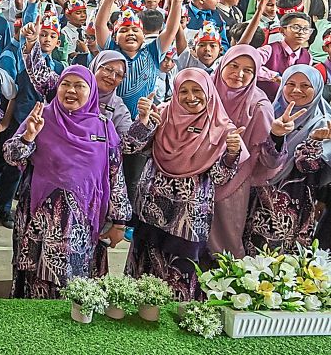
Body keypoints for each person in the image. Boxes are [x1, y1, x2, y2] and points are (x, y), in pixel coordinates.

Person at [5, 66, 130, 299]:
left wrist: (120, 221)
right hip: (38, 218)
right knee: (35, 278)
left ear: (91, 92)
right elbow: (11, 156)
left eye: (79, 85)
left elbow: (115, 175)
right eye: (65, 84)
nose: (71, 90)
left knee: (74, 281)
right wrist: (29, 136)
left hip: (82, 221)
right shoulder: (41, 117)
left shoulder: (104, 126)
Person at [125, 69, 242, 300]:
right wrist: (143, 121)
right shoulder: (162, 114)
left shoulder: (221, 128)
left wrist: (231, 153)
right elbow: (129, 147)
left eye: (197, 90)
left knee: (180, 278)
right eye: (184, 91)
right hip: (151, 212)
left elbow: (220, 178)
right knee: (143, 275)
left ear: (208, 92)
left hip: (187, 221)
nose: (191, 97)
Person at [247, 65, 331, 255]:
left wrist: (314, 141)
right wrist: (276, 135)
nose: (296, 90)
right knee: (251, 257)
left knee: (285, 262)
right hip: (258, 198)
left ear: (317, 88)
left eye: (305, 85)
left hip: (297, 203)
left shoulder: (323, 124)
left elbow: (308, 168)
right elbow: (256, 158)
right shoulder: (267, 114)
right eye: (290, 84)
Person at [208, 45, 281, 258]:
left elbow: (269, 159)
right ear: (222, 64)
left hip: (234, 185)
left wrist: (277, 136)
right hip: (193, 179)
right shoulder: (204, 90)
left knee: (225, 249)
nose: (239, 74)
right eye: (233, 65)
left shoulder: (258, 106)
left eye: (248, 70)